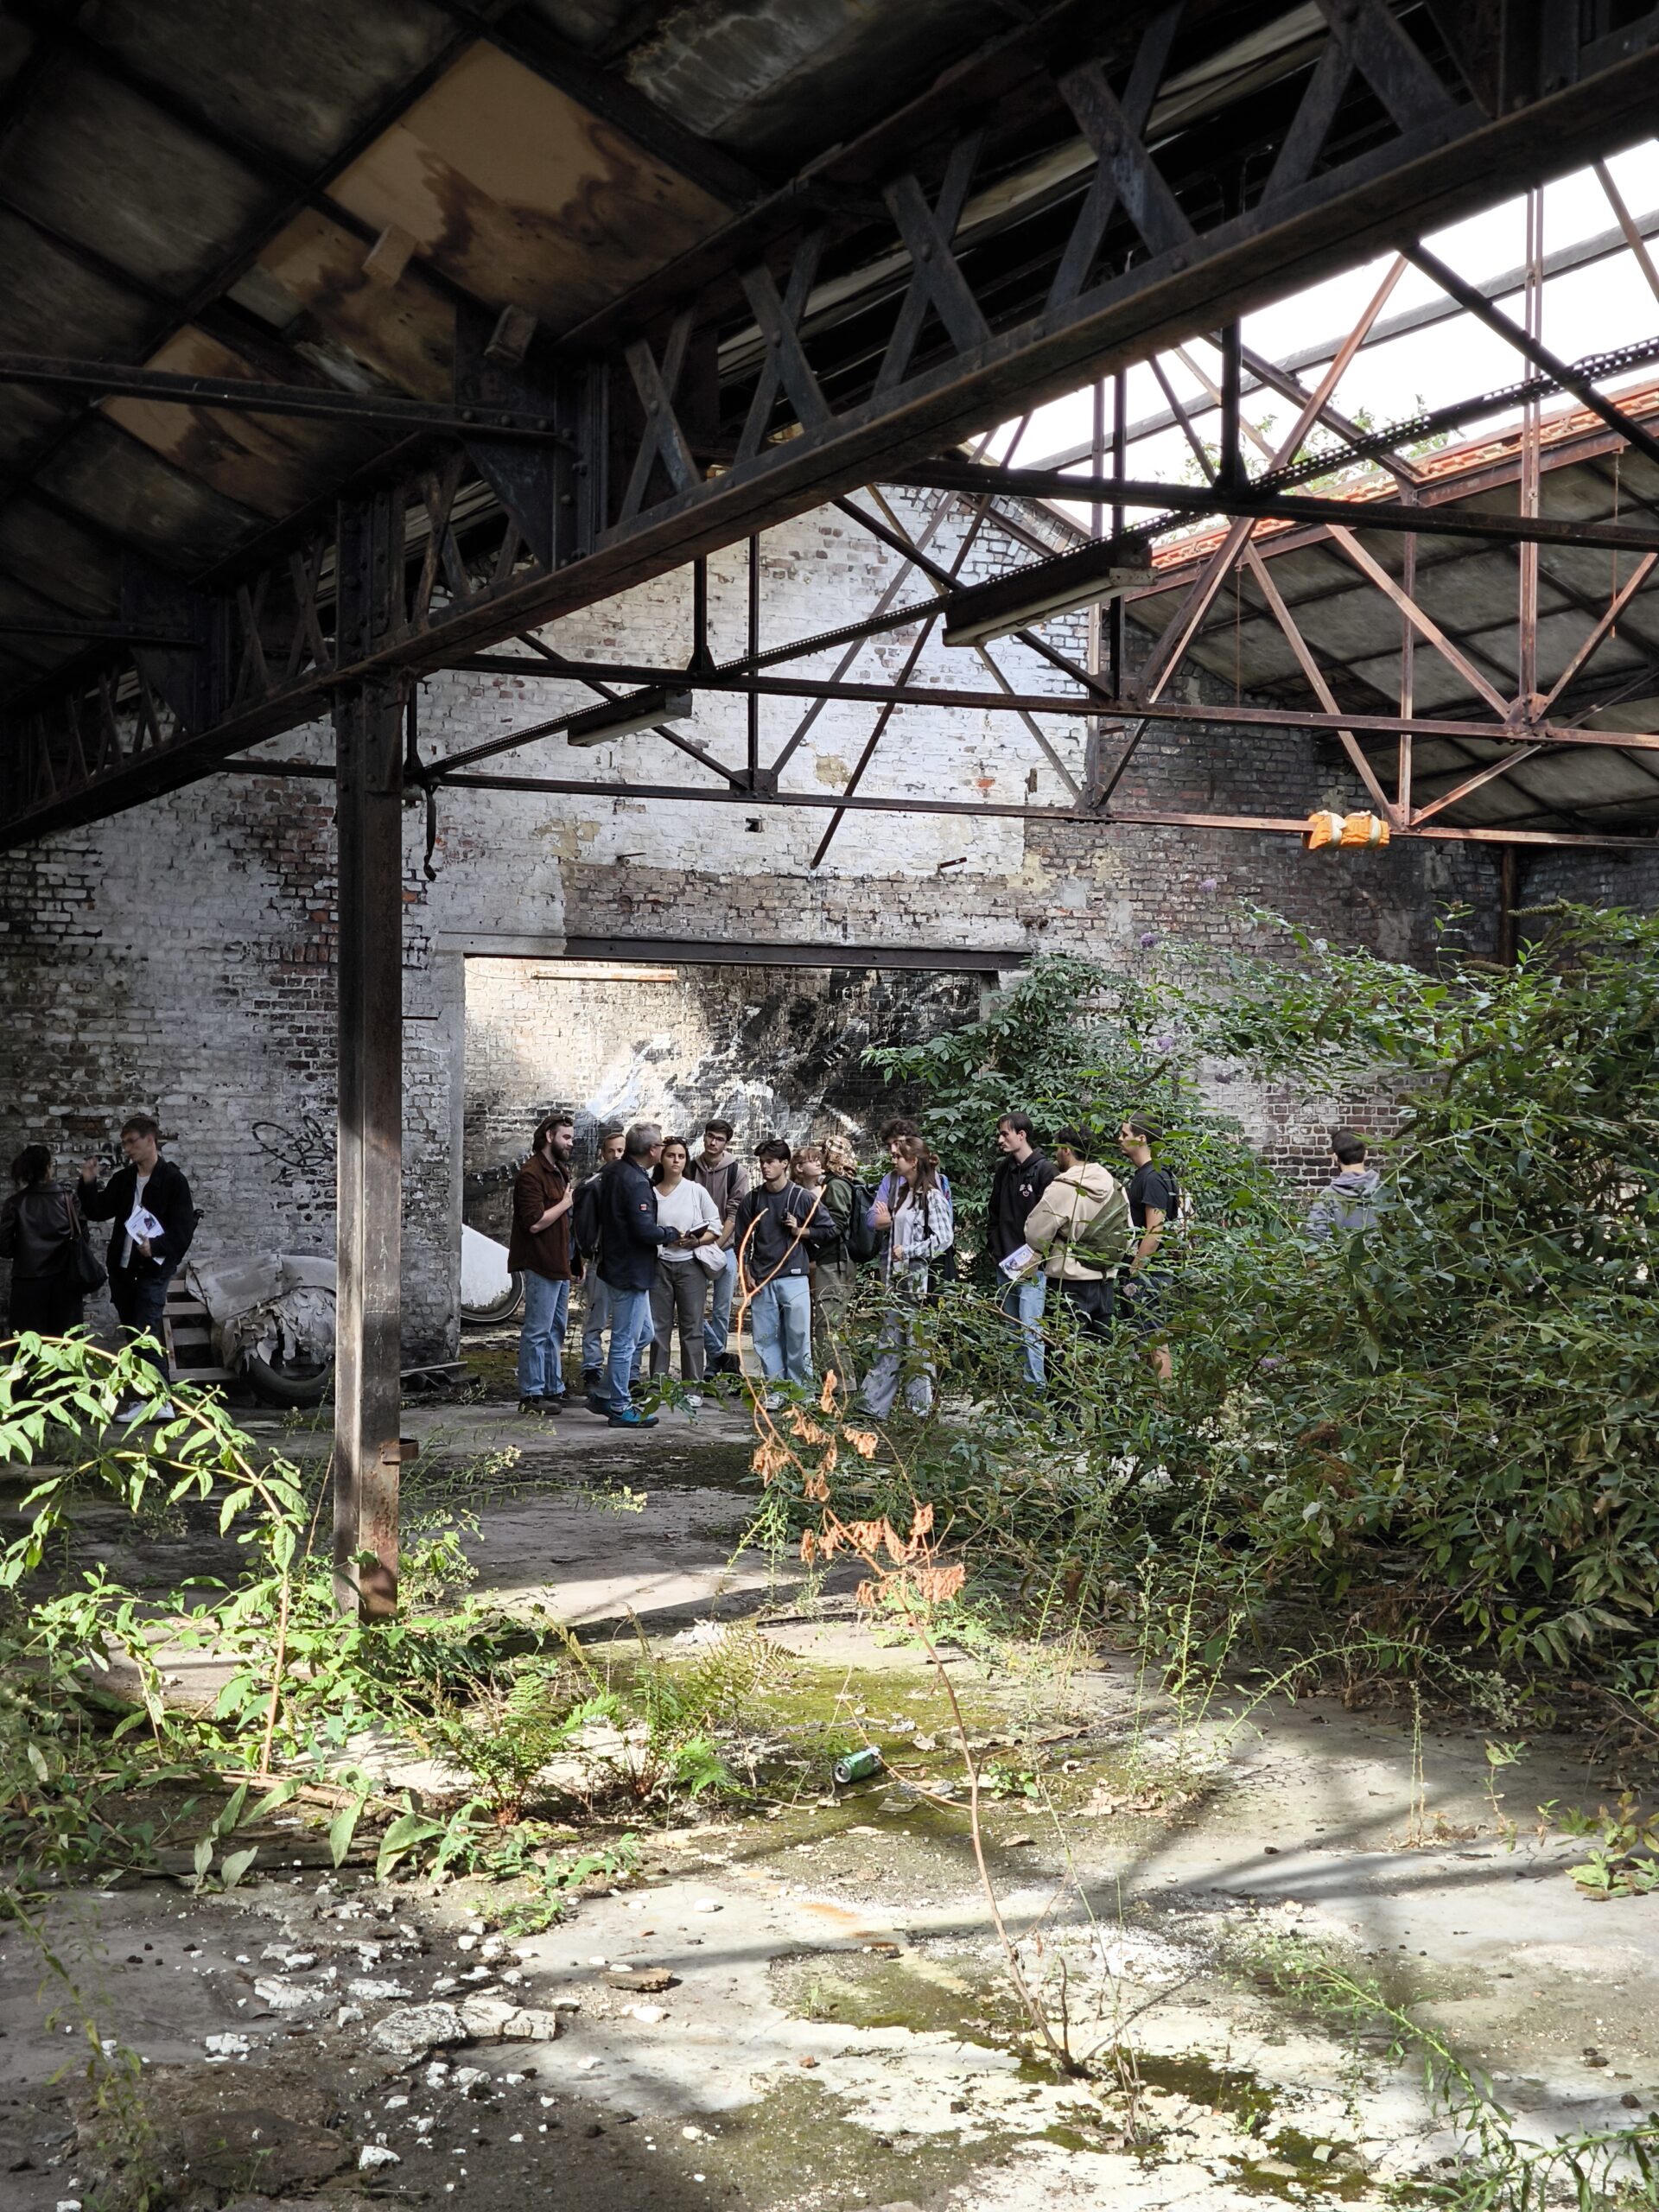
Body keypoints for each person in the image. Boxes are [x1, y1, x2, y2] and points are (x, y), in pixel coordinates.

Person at [79, 1114, 195, 1421]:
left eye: (132, 1142)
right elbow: (98, 1210)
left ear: (150, 1140)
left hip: (153, 1270)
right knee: (135, 1335)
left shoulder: (173, 1181)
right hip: (123, 1269)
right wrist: (88, 1182)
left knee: (145, 1332)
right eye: (124, 1143)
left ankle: (161, 1401)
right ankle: (148, 1399)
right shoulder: (125, 1179)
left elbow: (183, 1231)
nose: (128, 1149)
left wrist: (155, 1247)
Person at [590, 1121, 696, 1427]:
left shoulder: (615, 1171)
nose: (663, 1149)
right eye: (661, 1145)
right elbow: (643, 1230)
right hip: (630, 1270)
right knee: (625, 1341)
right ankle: (620, 1405)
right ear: (652, 1150)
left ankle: (606, 1392)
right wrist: (671, 1233)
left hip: (617, 1264)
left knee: (645, 1334)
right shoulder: (636, 1182)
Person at [860, 1133, 956, 1420]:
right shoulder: (902, 1192)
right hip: (897, 1279)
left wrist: (910, 1250)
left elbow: (944, 1238)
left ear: (913, 1161)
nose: (894, 1161)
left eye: (898, 1156)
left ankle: (919, 1410)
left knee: (918, 1347)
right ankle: (873, 1405)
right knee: (889, 1341)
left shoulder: (932, 1197)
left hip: (918, 1281)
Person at [734, 1138, 836, 1396]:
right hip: (762, 1278)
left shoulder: (801, 1196)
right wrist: (745, 1271)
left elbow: (830, 1230)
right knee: (765, 1339)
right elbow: (742, 1240)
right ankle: (776, 1392)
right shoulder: (752, 1199)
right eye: (762, 1162)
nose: (764, 1167)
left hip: (794, 1276)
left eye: (770, 1162)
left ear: (784, 1163)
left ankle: (802, 1393)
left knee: (798, 1337)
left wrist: (801, 1231)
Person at [1020, 1128, 1125, 1344]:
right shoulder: (1115, 1186)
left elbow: (1035, 1234)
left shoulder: (1063, 1187)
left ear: (1066, 1150)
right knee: (1101, 1352)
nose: (1056, 1154)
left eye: (1058, 1149)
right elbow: (1128, 1232)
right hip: (1105, 1283)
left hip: (1068, 1285)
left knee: (1063, 1351)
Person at [508, 1112, 576, 1417]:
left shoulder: (559, 1171)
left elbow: (566, 1224)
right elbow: (534, 1223)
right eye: (566, 1137)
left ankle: (552, 1388)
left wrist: (574, 1259)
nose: (570, 1143)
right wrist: (564, 1203)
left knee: (555, 1330)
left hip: (560, 1261)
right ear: (549, 1136)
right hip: (540, 1261)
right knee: (537, 1331)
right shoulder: (531, 1174)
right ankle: (531, 1394)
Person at [648, 1136, 722, 1403]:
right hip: (659, 1264)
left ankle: (693, 1389)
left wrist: (696, 1241)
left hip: (691, 1264)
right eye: (671, 1155)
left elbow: (716, 1226)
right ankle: (657, 1386)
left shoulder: (695, 1191)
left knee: (692, 1327)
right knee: (659, 1328)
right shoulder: (651, 1192)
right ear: (662, 1159)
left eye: (681, 1156)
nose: (676, 1160)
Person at [987, 1112, 1056, 1390]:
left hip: (1033, 1268)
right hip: (1005, 1264)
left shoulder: (1045, 1171)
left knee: (1031, 1331)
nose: (1000, 1139)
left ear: (1021, 1135)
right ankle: (1020, 1393)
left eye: (1005, 1133)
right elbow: (994, 1212)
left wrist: (1040, 1256)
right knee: (1012, 1332)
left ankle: (1037, 1393)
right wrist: (995, 1249)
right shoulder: (1004, 1170)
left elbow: (1055, 1219)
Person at [1116, 1116, 1179, 1382]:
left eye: (1125, 1134)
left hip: (1150, 1274)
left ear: (1141, 1139)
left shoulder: (1154, 1177)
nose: (1119, 1139)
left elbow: (1155, 1230)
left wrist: (1136, 1269)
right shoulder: (1148, 1174)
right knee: (1145, 1338)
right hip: (1149, 1272)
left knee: (1154, 1339)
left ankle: (1163, 1400)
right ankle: (1153, 1397)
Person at [0, 1145, 83, 1337]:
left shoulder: (15, 1203)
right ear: (48, 1167)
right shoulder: (68, 1199)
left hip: (27, 1285)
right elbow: (82, 1238)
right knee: (66, 1344)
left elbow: (4, 1248)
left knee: (29, 1345)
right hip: (65, 1282)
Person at [690, 1119, 750, 1376]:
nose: (713, 1143)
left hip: (724, 1248)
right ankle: (719, 1355)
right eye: (710, 1137)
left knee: (721, 1310)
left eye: (719, 1139)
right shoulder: (690, 1168)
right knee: (691, 1308)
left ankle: (713, 1366)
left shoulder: (737, 1172)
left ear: (727, 1143)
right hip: (693, 1247)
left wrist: (714, 1243)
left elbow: (734, 1214)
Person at [802, 1139, 859, 1392]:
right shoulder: (835, 1183)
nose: (820, 1158)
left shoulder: (837, 1186)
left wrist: (806, 1232)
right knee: (826, 1324)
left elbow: (836, 1226)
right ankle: (834, 1383)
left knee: (829, 1324)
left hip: (835, 1262)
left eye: (824, 1153)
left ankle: (842, 1385)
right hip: (832, 1261)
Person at [577, 1124, 628, 1390]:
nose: (616, 1155)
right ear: (603, 1154)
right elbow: (583, 1223)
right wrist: (586, 1253)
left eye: (621, 1151)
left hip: (626, 1263)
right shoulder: (594, 1184)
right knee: (595, 1317)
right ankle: (591, 1368)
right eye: (611, 1151)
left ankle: (624, 1372)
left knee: (629, 1322)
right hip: (600, 1260)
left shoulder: (635, 1182)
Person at [1307, 1130, 1382, 1243]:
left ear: (1335, 1157)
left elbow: (1315, 1241)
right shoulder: (1387, 1191)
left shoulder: (1326, 1198)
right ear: (1366, 1154)